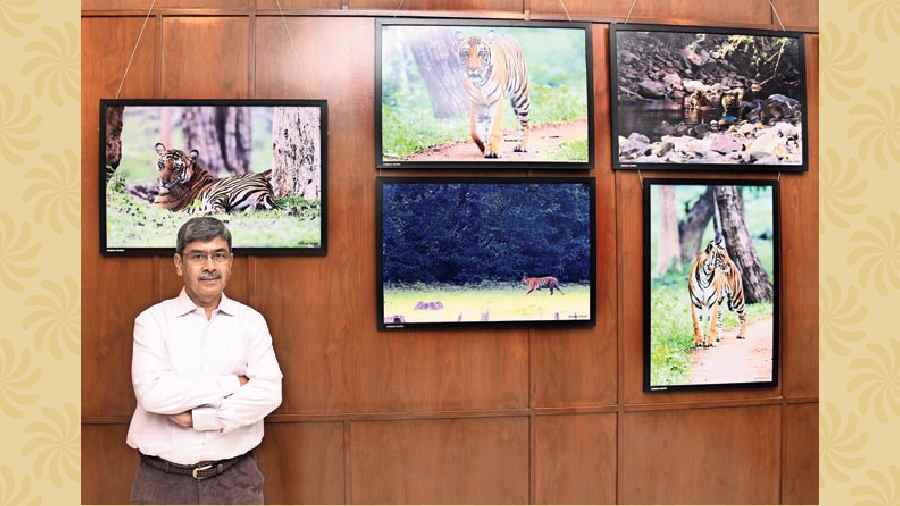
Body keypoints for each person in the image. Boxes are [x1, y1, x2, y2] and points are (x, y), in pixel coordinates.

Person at [126, 217, 283, 505]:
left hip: (235, 482)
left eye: (219, 255)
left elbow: (269, 393)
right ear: (178, 263)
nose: (210, 266)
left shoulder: (251, 322)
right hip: (162, 483)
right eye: (198, 256)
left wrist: (200, 418)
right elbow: (153, 395)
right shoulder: (152, 322)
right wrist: (233, 383)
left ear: (230, 262)